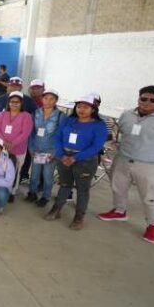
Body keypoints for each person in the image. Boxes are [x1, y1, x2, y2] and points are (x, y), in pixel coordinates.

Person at [98, 86, 154, 243]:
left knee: (150, 197)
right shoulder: (127, 114)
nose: (147, 102)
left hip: (150, 165)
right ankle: (119, 211)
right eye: (143, 98)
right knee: (118, 188)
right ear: (138, 98)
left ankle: (153, 226)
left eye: (153, 100)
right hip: (123, 159)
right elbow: (122, 132)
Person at [43, 95, 108, 229]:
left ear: (93, 109)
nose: (81, 110)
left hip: (85, 160)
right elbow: (57, 137)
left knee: (82, 189)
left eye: (85, 107)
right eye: (79, 106)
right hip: (64, 156)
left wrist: (75, 158)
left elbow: (96, 146)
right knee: (64, 184)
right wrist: (61, 155)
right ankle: (57, 209)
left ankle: (79, 216)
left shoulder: (99, 125)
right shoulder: (69, 120)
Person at [25, 88, 64, 207]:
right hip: (36, 149)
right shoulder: (36, 113)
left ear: (56, 101)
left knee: (47, 176)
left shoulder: (60, 115)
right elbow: (31, 132)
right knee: (34, 174)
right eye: (46, 98)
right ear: (42, 99)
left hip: (50, 151)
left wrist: (56, 152)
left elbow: (62, 136)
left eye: (52, 99)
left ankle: (46, 196)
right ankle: (32, 193)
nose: (48, 101)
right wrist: (31, 149)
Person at [0, 91, 34, 200]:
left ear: (21, 103)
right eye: (12, 101)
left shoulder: (26, 116)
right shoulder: (2, 114)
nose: (14, 104)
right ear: (8, 102)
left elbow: (25, 133)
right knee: (1, 169)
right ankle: (0, 188)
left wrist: (12, 143)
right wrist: (4, 142)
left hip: (18, 149)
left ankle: (12, 191)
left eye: (17, 102)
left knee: (15, 170)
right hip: (2, 148)